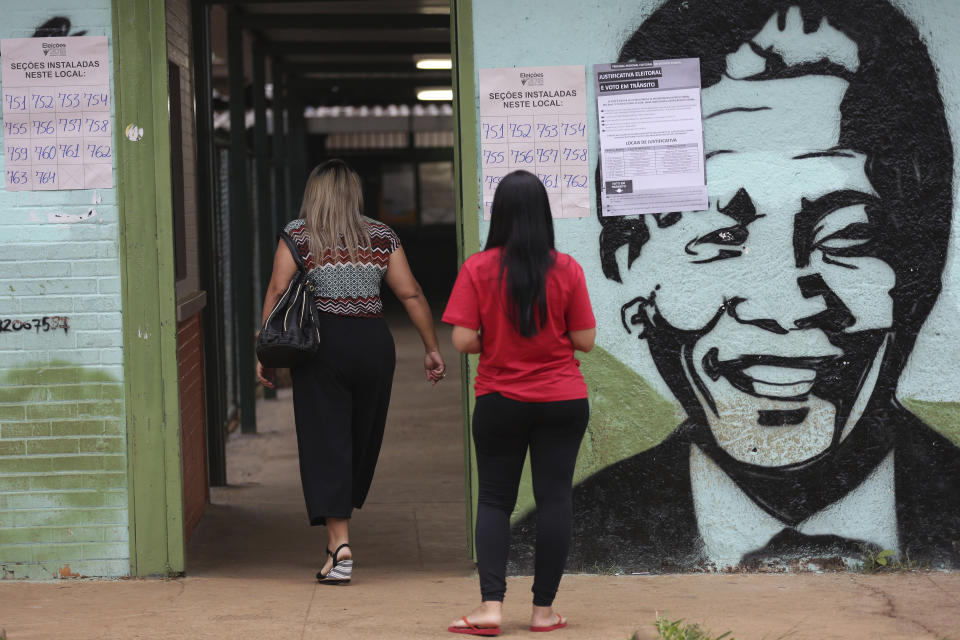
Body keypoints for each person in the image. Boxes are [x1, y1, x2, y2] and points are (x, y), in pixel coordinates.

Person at [512, 0, 960, 572]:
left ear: (920, 271)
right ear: (630, 263)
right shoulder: (565, 541)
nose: (785, 306)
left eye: (846, 239)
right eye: (719, 237)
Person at [256, 159, 446, 584]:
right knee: (361, 438)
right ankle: (334, 544)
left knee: (327, 442)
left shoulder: (299, 235)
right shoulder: (381, 235)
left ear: (315, 193)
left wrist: (265, 350)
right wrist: (431, 348)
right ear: (354, 193)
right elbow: (410, 292)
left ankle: (340, 543)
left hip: (321, 346)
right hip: (374, 345)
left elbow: (278, 289)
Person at [443, 170, 596, 635]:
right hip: (563, 400)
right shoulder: (567, 268)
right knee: (554, 501)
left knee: (493, 500)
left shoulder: (478, 268)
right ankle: (543, 612)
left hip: (499, 400)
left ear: (500, 214)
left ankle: (490, 609)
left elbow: (463, 340)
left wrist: (497, 337)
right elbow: (585, 340)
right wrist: (550, 337)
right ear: (543, 215)